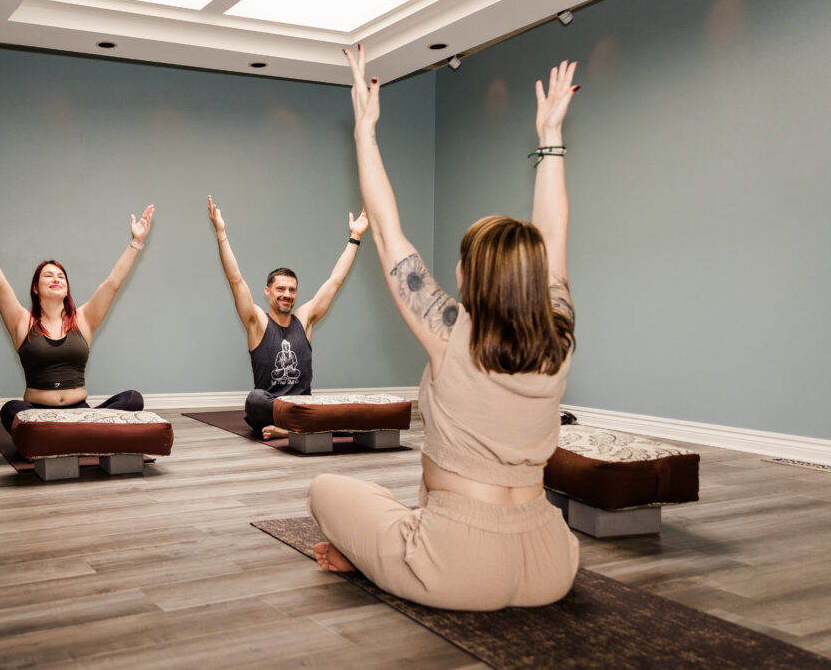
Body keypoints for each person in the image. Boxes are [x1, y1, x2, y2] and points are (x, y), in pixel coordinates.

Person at [307, 48, 580, 611]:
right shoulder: (558, 337)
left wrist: (364, 131)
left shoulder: (451, 332)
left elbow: (385, 231)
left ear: (470, 275)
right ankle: (392, 540)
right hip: (552, 562)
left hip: (456, 566)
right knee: (393, 509)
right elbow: (553, 244)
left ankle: (381, 551)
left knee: (327, 490)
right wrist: (550, 139)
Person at [0, 197, 153, 433]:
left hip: (80, 412)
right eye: (48, 276)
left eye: (61, 276)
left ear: (67, 286)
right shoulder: (22, 321)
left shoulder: (84, 319)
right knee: (10, 410)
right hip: (38, 413)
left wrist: (136, 243)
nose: (56, 279)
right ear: (36, 288)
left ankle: (69, 433)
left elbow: (112, 284)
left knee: (133, 399)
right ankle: (85, 435)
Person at [206, 195, 369, 439]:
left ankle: (294, 428)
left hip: (303, 406)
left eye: (292, 290)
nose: (287, 294)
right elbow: (235, 280)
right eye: (281, 289)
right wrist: (221, 233)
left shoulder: (305, 319)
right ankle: (308, 425)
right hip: (271, 407)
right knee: (254, 399)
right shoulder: (257, 322)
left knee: (347, 406)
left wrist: (355, 237)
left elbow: (335, 281)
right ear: (268, 291)